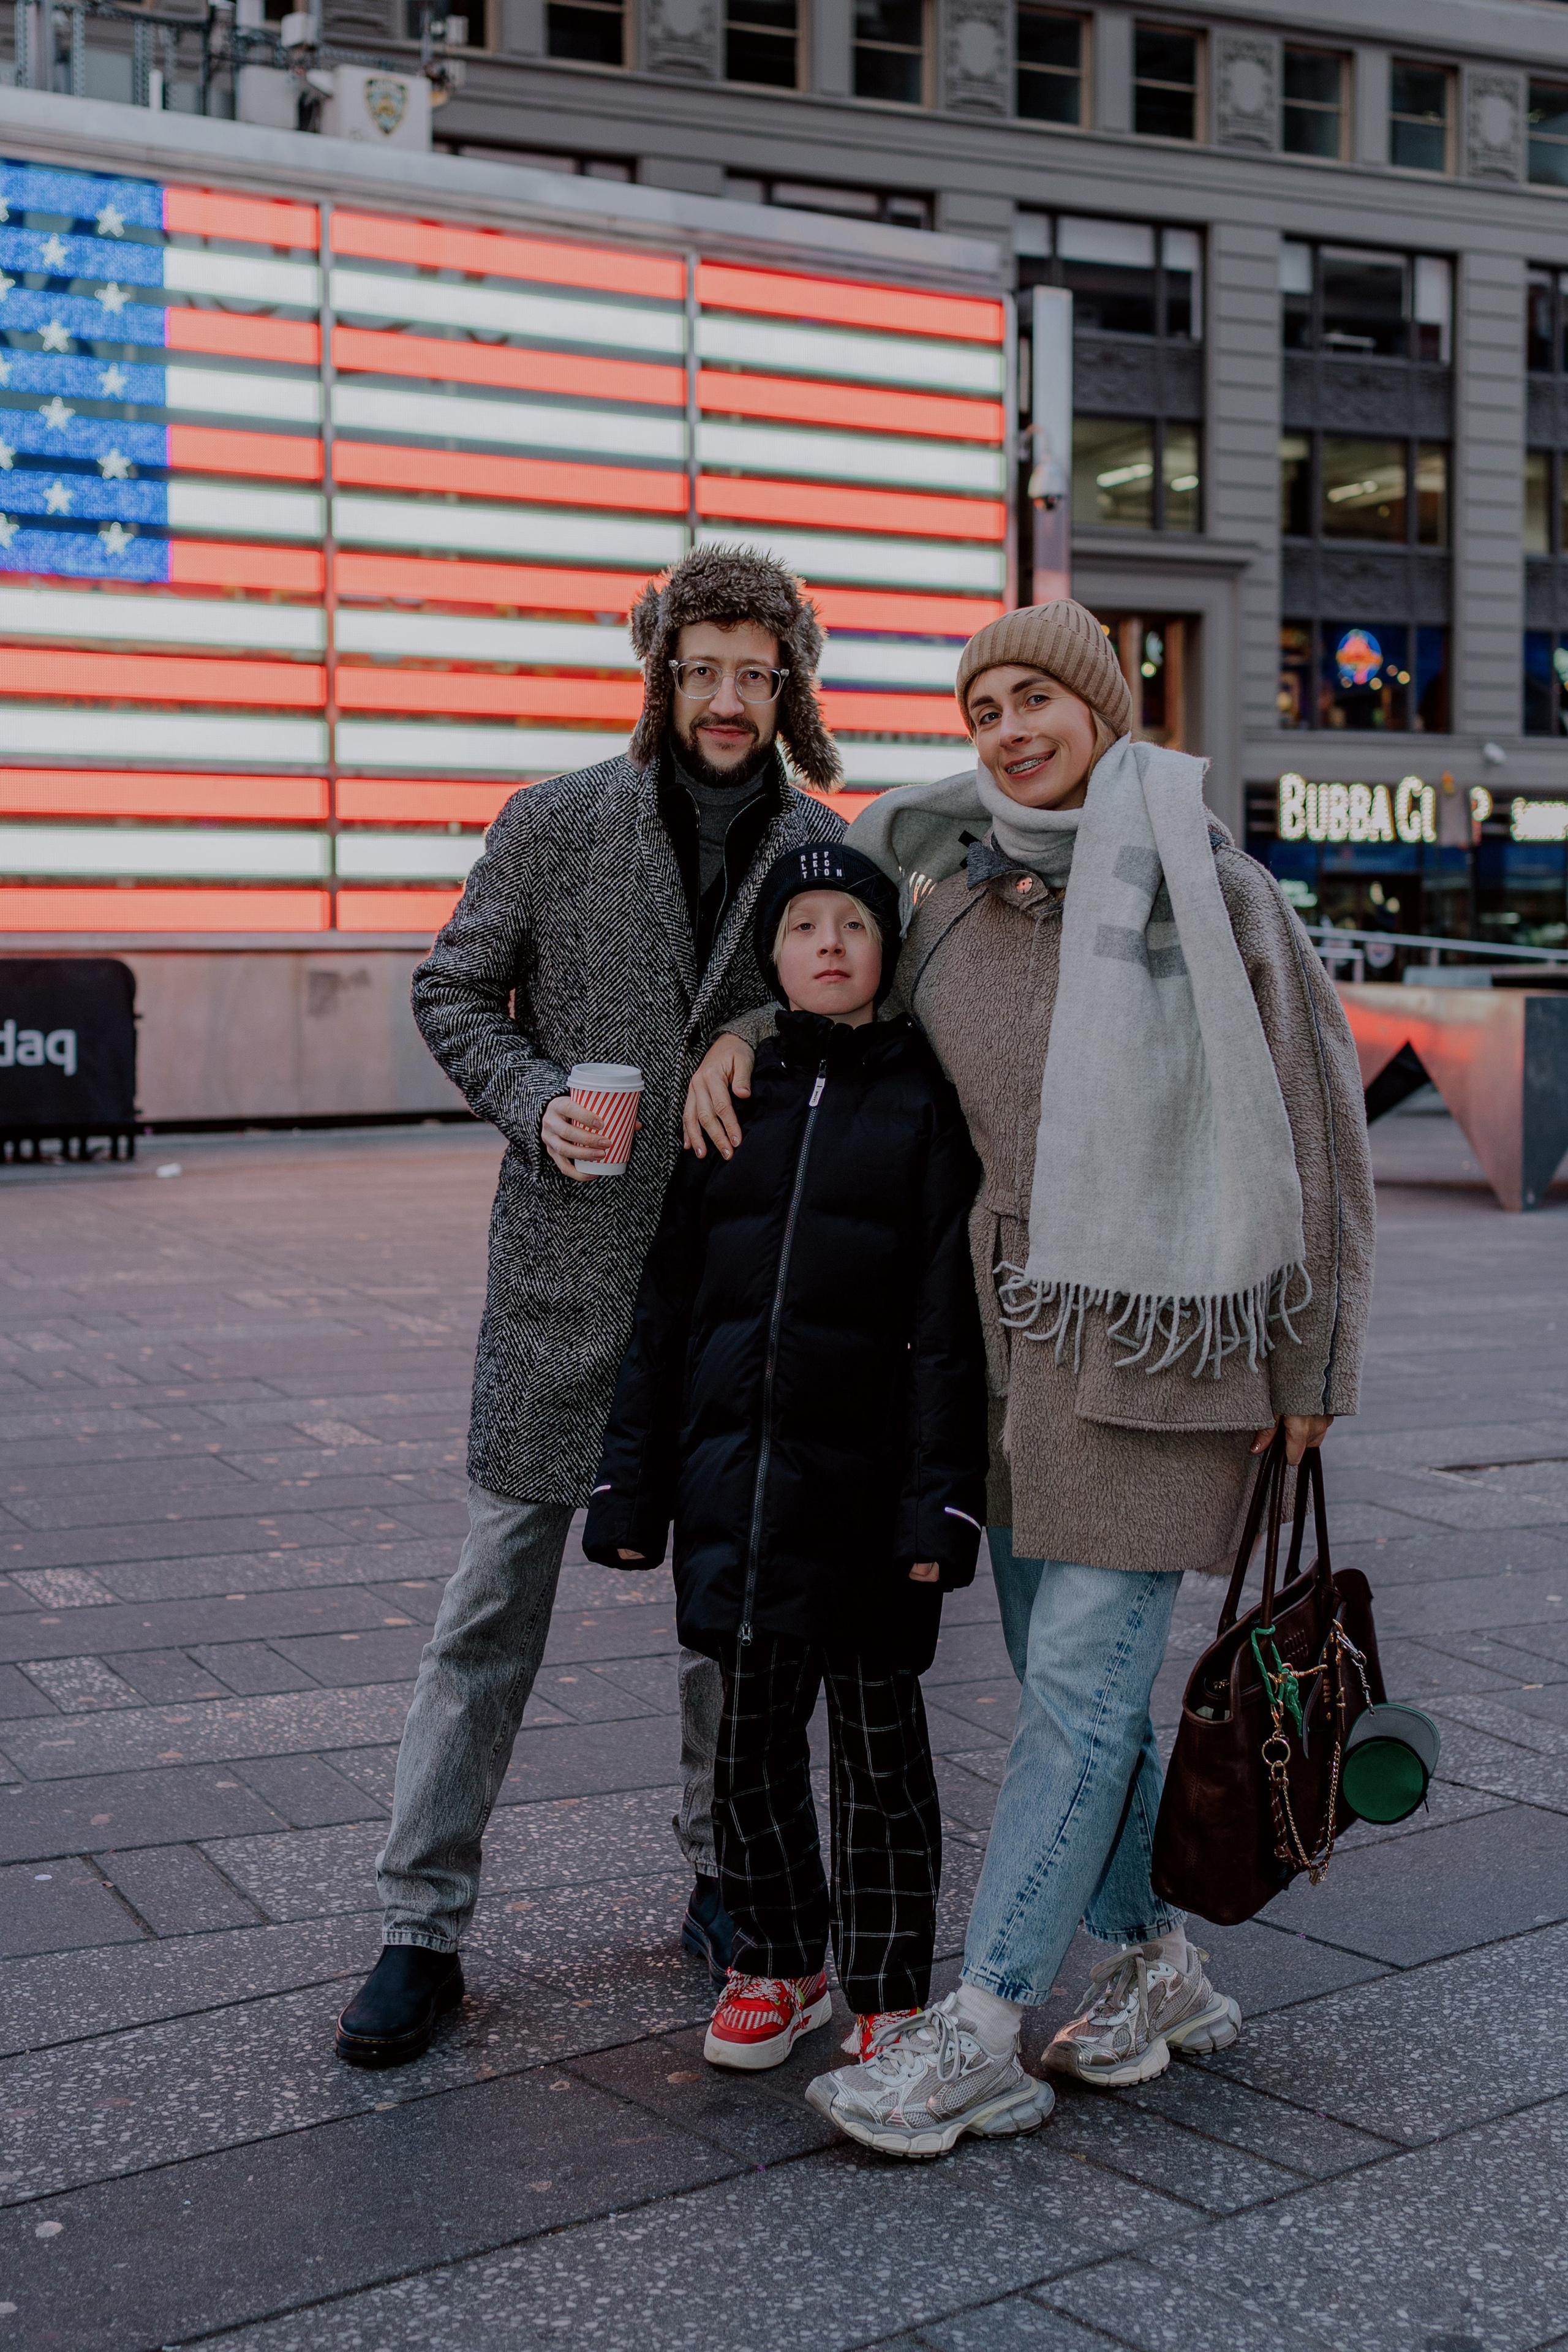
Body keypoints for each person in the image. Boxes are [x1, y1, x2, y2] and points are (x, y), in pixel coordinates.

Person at [685, 599, 1376, 2157]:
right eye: (983, 703)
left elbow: (1319, 1133)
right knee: (1084, 1703)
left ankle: (979, 2026)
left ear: (1102, 709)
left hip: (1170, 1343)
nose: (1007, 727)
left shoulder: (1214, 891)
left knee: (1071, 1695)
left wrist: (1314, 1361)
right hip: (1003, 1358)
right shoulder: (945, 893)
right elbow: (834, 979)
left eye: (1036, 699)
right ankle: (1151, 1965)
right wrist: (739, 1026)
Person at [334, 546, 847, 2068]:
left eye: (757, 672)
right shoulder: (553, 825)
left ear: (788, 684)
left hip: (735, 1291)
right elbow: (449, 991)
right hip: (563, 1285)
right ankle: (419, 1926)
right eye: (702, 668)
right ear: (660, 672)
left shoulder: (819, 848)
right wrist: (537, 1099)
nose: (728, 698)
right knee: (491, 1603)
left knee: (728, 1622)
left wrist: (756, 1032)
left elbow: (849, 1006)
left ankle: (724, 1872)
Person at [581, 843, 995, 2082]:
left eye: (851, 926)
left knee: (880, 1759)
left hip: (866, 1504)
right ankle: (777, 1957)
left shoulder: (926, 1102)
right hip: (733, 1499)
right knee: (749, 1749)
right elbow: (663, 1309)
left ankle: (880, 1984)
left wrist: (940, 1509)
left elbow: (944, 1326)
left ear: (885, 953)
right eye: (802, 925)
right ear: (770, 958)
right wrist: (630, 1487)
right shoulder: (729, 1098)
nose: (827, 943)